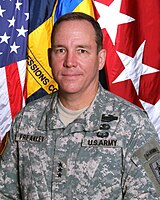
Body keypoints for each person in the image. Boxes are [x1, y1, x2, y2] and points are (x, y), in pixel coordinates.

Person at [0, 12, 160, 200]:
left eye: (82, 50)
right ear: (50, 57)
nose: (69, 62)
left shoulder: (133, 125)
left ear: (100, 59)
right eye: (61, 50)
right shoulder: (27, 120)